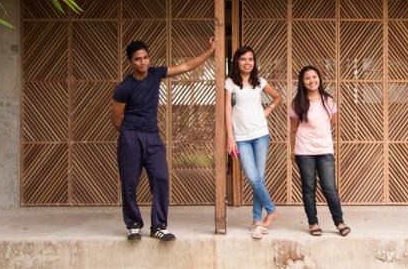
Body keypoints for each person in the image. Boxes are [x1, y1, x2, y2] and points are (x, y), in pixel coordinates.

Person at [110, 37, 215, 242]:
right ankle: (133, 225)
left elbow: (185, 66)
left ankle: (158, 226)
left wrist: (210, 51)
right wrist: (128, 134)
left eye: (146, 57)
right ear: (131, 62)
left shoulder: (156, 74)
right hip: (130, 137)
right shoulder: (125, 87)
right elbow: (115, 116)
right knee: (129, 183)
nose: (143, 62)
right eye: (138, 59)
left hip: (153, 137)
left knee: (161, 178)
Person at [225, 46, 282, 239]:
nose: (247, 62)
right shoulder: (230, 83)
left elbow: (278, 96)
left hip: (260, 135)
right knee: (253, 178)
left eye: (250, 59)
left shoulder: (260, 82)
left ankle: (257, 221)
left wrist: (268, 110)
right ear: (237, 61)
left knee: (259, 178)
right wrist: (230, 137)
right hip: (241, 137)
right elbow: (227, 111)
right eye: (243, 59)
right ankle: (271, 210)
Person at [289, 65, 350, 237]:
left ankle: (339, 222)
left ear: (319, 79)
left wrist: (320, 135)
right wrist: (292, 151)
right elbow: (293, 129)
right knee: (309, 188)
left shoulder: (328, 101)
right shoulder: (297, 103)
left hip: (324, 150)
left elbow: (333, 121)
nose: (311, 80)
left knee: (329, 188)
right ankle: (313, 223)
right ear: (302, 82)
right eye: (307, 78)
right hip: (304, 150)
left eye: (314, 77)